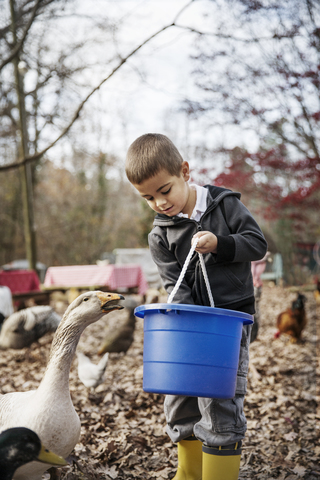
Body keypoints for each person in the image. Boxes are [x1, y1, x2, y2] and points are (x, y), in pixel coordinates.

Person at [125, 133, 268, 480]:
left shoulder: (224, 206)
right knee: (180, 398)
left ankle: (219, 475)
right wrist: (187, 326)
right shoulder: (161, 235)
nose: (159, 203)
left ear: (185, 172)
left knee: (220, 403)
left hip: (230, 323)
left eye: (164, 190)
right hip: (189, 327)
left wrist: (220, 243)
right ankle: (189, 473)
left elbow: (257, 244)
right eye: (148, 197)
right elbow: (174, 283)